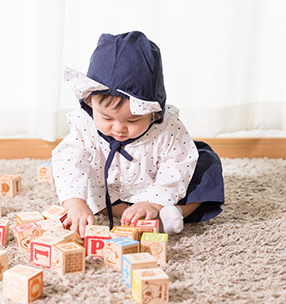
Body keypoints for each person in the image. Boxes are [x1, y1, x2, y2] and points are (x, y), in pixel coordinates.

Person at [52, 31, 224, 236]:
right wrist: (75, 204)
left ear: (153, 112)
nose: (118, 128)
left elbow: (178, 164)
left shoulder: (167, 128)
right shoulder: (84, 126)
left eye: (133, 120)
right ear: (90, 103)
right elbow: (68, 162)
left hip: (159, 185)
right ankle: (128, 215)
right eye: (106, 118)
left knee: (205, 165)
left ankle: (175, 213)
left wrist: (152, 201)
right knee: (84, 187)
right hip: (111, 189)